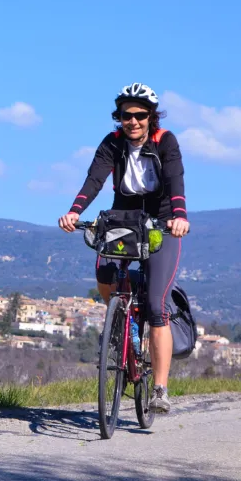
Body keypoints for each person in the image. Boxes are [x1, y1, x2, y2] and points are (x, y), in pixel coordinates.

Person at [58, 83, 190, 413]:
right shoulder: (112, 144)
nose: (132, 121)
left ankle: (159, 389)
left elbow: (175, 180)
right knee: (104, 271)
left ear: (151, 117)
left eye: (139, 115)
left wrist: (179, 216)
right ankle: (124, 322)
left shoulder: (165, 141)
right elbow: (94, 179)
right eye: (125, 115)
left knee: (158, 308)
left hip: (161, 225)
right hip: (124, 220)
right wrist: (75, 211)